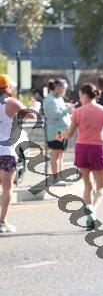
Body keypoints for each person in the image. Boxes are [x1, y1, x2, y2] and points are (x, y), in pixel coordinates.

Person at [59, 83, 103, 229]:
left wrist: (61, 134)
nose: (79, 99)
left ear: (85, 95)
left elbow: (69, 133)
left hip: (82, 148)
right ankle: (93, 210)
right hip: (97, 149)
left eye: (80, 96)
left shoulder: (78, 112)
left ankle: (88, 213)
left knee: (88, 185)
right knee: (101, 187)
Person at [0, 74, 36, 233]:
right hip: (6, 151)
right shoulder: (11, 102)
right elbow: (32, 115)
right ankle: (2, 222)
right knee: (7, 188)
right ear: (7, 87)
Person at [43, 78, 74, 186]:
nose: (64, 90)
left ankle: (60, 177)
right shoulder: (50, 100)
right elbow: (55, 115)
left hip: (63, 130)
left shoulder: (59, 98)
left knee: (61, 155)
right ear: (57, 87)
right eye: (63, 88)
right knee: (55, 155)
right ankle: (56, 179)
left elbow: (61, 112)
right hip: (55, 132)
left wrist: (67, 108)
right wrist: (67, 109)